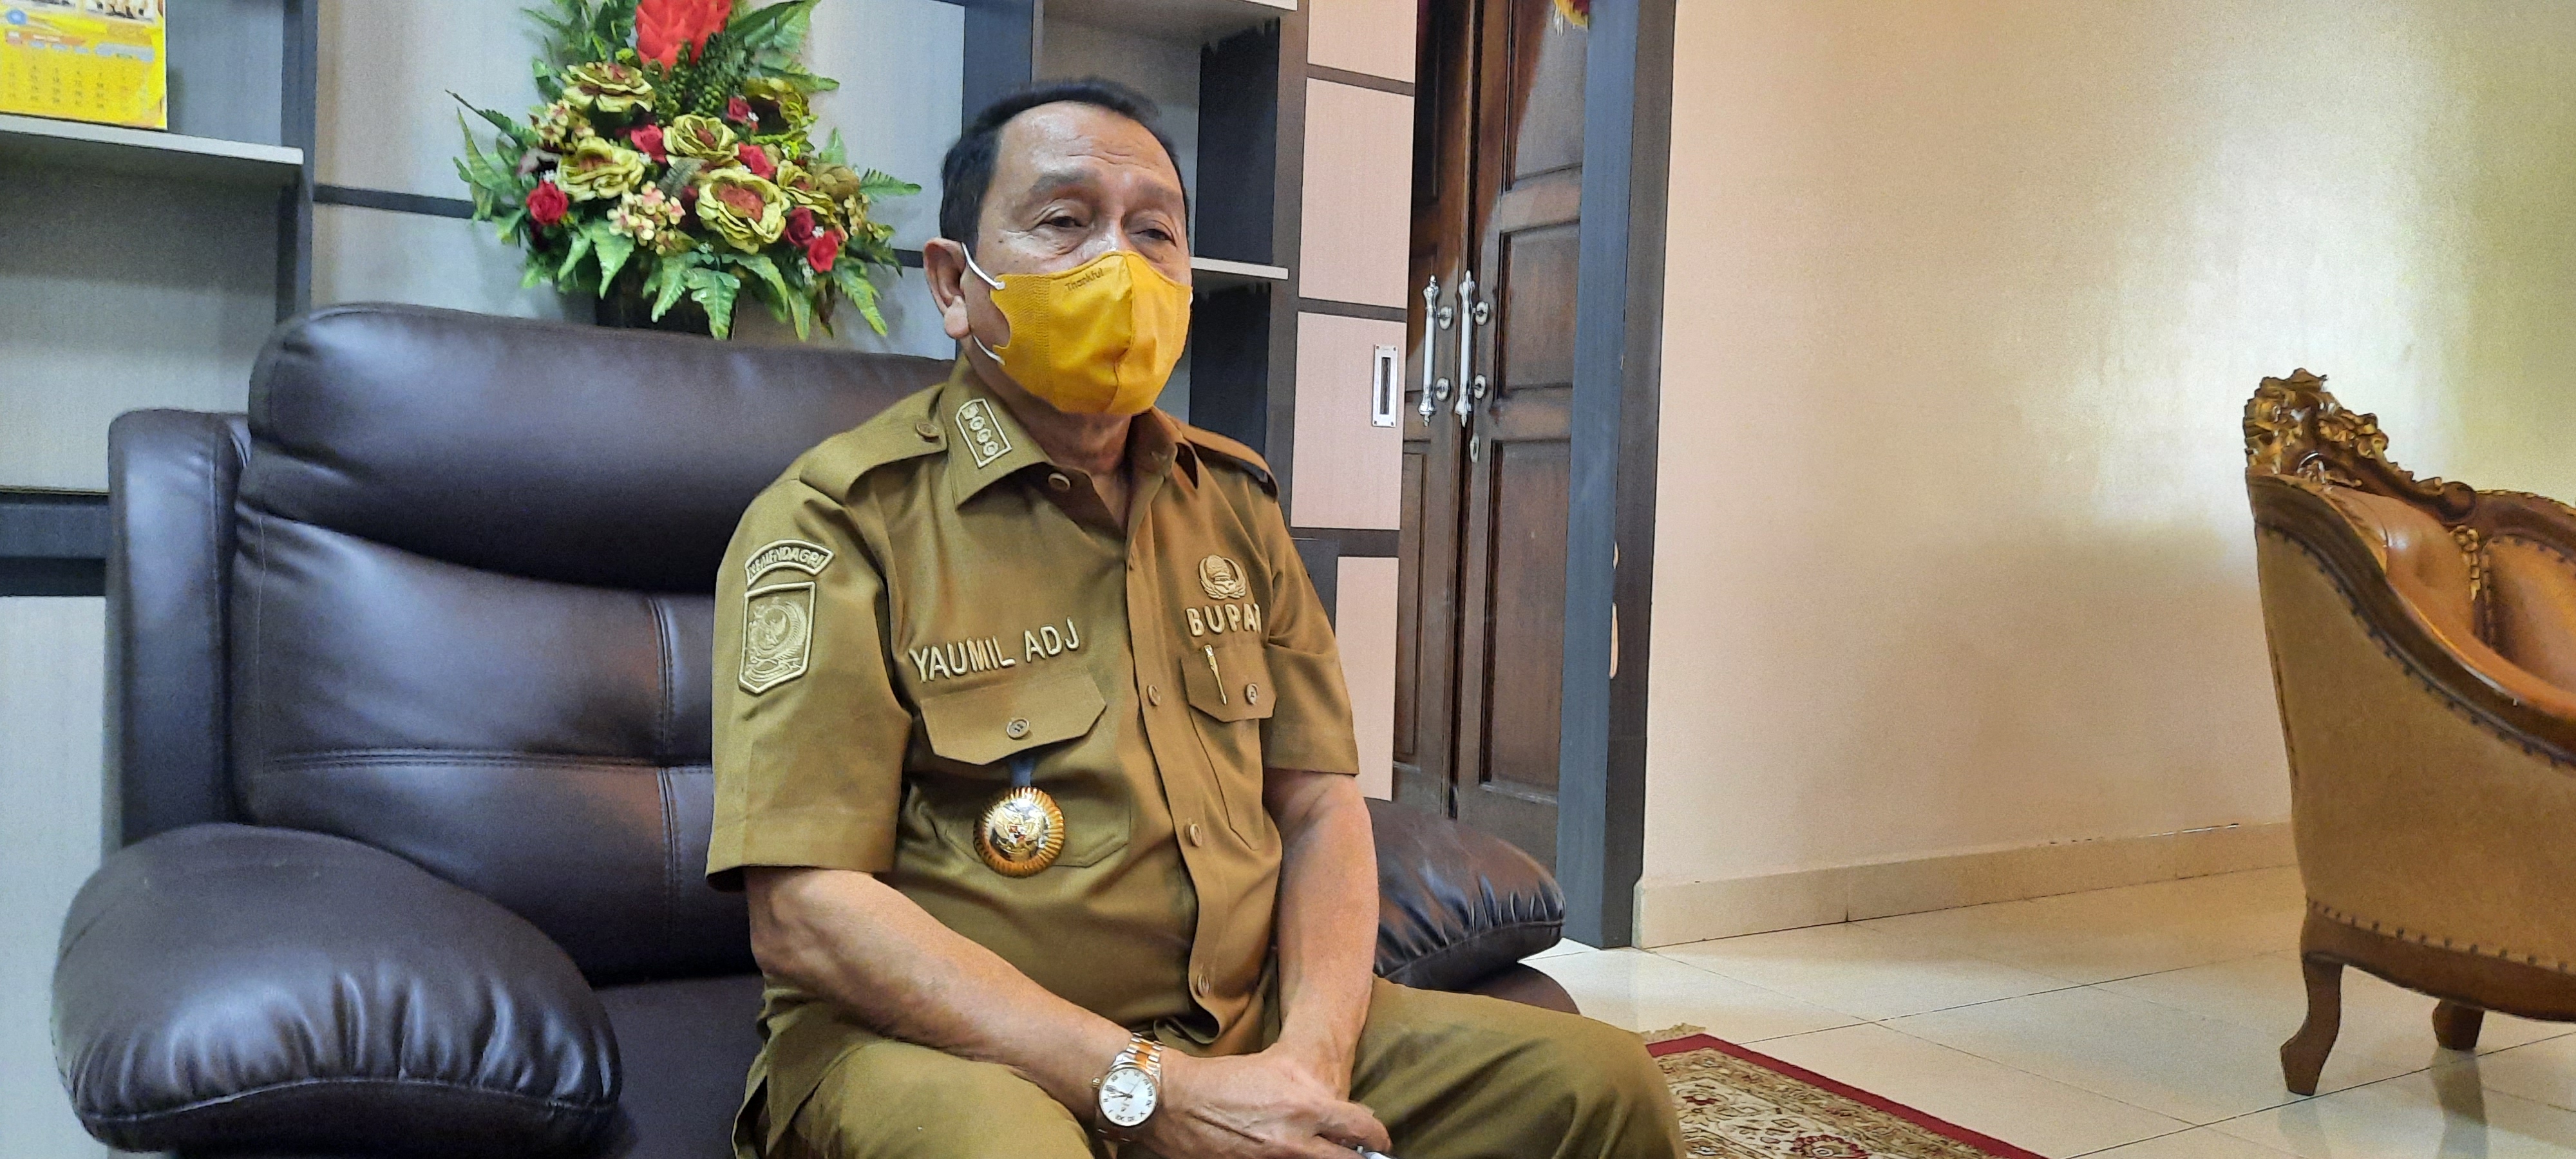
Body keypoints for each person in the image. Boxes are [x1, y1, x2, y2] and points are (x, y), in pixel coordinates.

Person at [707, 79, 1683, 1159]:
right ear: (954, 282)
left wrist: (1310, 1062)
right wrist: (1151, 1088)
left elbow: (1318, 805)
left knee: (1602, 1090)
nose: (1117, 264)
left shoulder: (1232, 502)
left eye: (1154, 233)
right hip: (948, 1052)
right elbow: (805, 906)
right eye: (1065, 221)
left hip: (1241, 1024)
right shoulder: (841, 519)